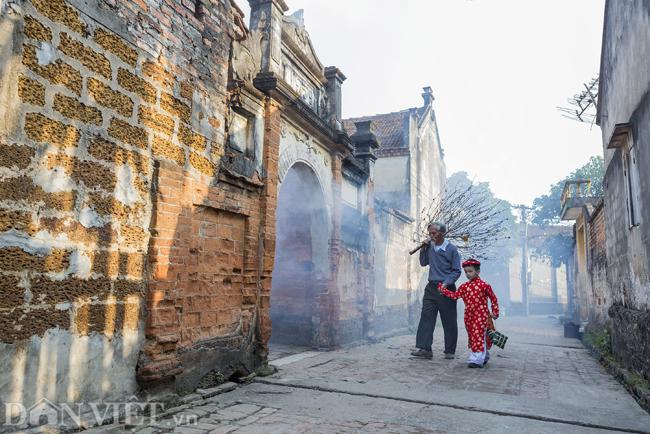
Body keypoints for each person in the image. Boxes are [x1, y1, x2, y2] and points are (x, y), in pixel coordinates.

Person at [411, 222, 462, 360]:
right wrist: (423, 249)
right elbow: (423, 263)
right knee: (426, 317)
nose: (431, 235)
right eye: (430, 233)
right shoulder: (430, 247)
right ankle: (425, 349)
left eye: (434, 233)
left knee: (449, 320)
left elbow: (457, 270)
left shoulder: (451, 249)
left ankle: (449, 351)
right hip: (431, 287)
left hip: (446, 287)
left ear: (442, 234)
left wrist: (446, 283)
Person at [438, 258, 499, 368]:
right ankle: (484, 356)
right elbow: (455, 296)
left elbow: (493, 299)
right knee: (474, 336)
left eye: (470, 271)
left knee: (477, 335)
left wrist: (495, 312)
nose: (467, 274)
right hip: (469, 317)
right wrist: (443, 290)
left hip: (482, 316)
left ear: (478, 271)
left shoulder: (485, 285)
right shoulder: (464, 287)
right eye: (466, 272)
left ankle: (476, 359)